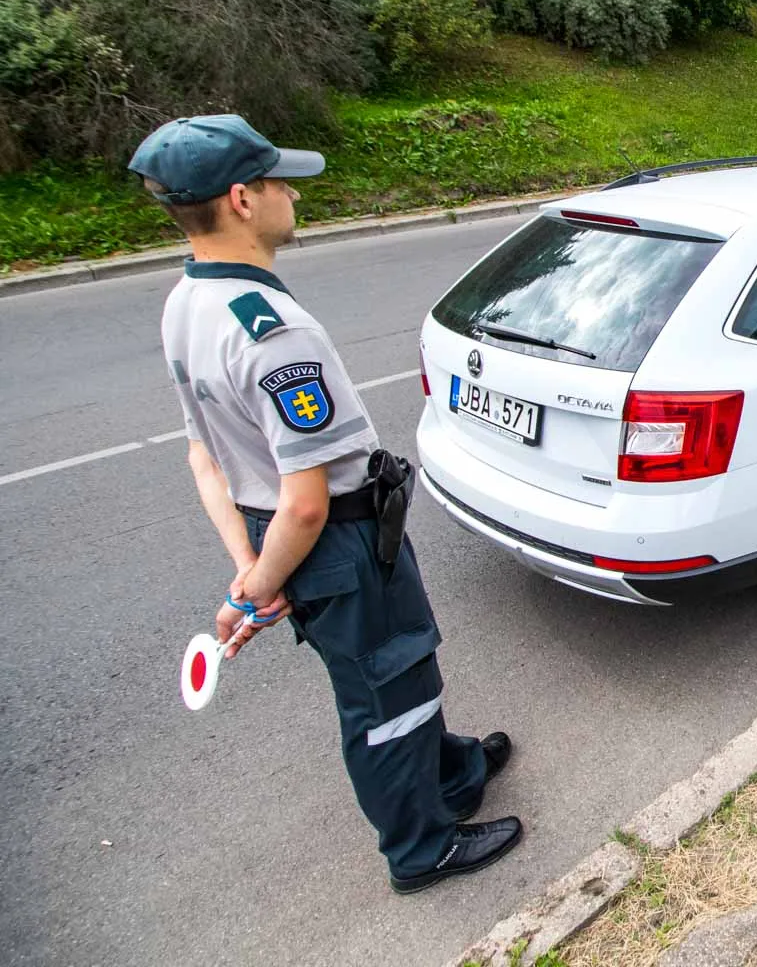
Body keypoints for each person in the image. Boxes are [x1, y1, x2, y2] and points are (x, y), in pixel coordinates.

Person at [132, 114, 523, 894]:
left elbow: (204, 456)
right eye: (279, 181)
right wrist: (260, 583)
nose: (293, 194)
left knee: (401, 668)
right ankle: (421, 849)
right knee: (384, 694)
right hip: (336, 541)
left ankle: (450, 773)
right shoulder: (275, 333)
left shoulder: (184, 301)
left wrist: (252, 567)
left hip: (278, 534)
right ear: (242, 199)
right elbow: (308, 502)